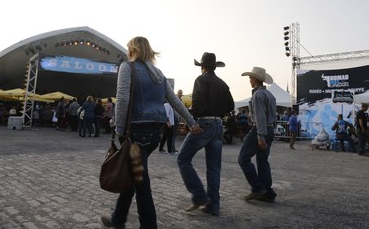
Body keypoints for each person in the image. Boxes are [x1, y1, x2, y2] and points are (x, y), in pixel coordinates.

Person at [101, 36, 201, 229]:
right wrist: (191, 122)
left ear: (133, 50)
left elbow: (122, 98)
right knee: (135, 173)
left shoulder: (127, 68)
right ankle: (117, 219)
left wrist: (120, 129)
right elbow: (174, 100)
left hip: (136, 132)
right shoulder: (158, 73)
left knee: (141, 183)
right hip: (155, 133)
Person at [177, 52, 234, 217]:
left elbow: (197, 104)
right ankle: (213, 206)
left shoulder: (200, 80)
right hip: (218, 125)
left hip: (204, 123)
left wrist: (192, 122)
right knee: (214, 168)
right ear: (214, 67)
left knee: (183, 158)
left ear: (202, 66)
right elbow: (230, 105)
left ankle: (199, 195)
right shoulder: (223, 84)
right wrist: (219, 112)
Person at [238, 66, 277, 203]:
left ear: (254, 79)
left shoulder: (257, 95)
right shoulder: (270, 95)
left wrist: (260, 136)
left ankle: (257, 188)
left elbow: (260, 116)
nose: (249, 80)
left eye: (250, 78)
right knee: (262, 160)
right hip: (270, 129)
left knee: (243, 158)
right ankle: (267, 192)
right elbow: (272, 115)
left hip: (260, 130)